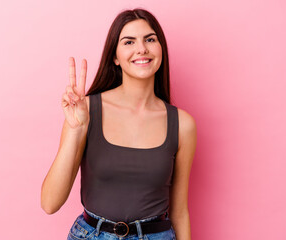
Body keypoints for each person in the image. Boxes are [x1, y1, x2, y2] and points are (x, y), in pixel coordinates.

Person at [41, 8, 197, 240]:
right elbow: (50, 203)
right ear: (114, 57)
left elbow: (179, 211)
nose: (141, 48)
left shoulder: (182, 124)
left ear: (161, 48)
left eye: (150, 39)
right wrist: (75, 130)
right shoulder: (86, 112)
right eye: (128, 42)